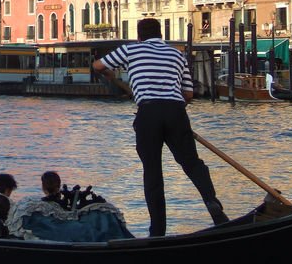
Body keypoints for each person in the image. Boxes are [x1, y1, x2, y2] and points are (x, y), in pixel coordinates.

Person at [92, 17, 229, 237]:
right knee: (193, 164)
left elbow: (97, 65)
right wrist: (171, 111)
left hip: (148, 113)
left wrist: (110, 74)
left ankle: (158, 231)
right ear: (160, 35)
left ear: (139, 36)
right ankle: (215, 208)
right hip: (175, 111)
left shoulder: (131, 50)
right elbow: (188, 94)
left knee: (153, 172)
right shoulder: (177, 54)